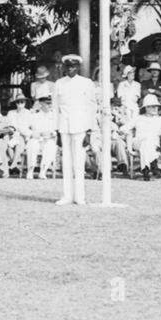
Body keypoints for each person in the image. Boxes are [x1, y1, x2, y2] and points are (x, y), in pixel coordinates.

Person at [53, 53, 97, 206]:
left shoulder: (87, 83)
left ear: (78, 67)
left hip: (80, 126)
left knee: (79, 162)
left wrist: (89, 131)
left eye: (73, 66)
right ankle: (67, 196)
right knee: (66, 162)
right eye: (68, 66)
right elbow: (55, 108)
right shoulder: (59, 83)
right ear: (64, 67)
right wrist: (57, 130)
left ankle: (80, 197)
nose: (70, 69)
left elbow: (91, 107)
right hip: (64, 126)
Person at [131, 93, 161, 179]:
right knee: (146, 141)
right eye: (153, 106)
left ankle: (145, 170)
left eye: (156, 106)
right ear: (146, 107)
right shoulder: (138, 118)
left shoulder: (160, 119)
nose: (156, 108)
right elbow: (125, 128)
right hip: (138, 143)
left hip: (152, 145)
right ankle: (153, 165)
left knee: (147, 143)